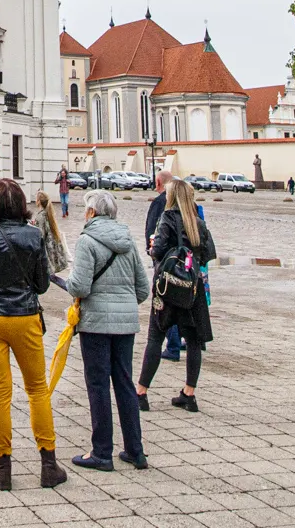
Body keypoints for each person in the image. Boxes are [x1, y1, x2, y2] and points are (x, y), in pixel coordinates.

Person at [0, 178, 64, 490]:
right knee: (37, 390)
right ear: (21, 204)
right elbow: (43, 284)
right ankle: (48, 464)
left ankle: (3, 467)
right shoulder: (34, 235)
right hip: (24, 317)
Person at [66, 190, 151, 471]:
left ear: (91, 212)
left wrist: (67, 284)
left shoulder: (87, 241)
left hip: (96, 324)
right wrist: (124, 304)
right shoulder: (128, 241)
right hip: (125, 324)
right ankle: (135, 450)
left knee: (99, 385)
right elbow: (142, 288)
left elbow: (79, 287)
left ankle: (102, 452)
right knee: (125, 383)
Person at [135, 177, 214, 413]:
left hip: (169, 286)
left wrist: (153, 248)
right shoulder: (197, 222)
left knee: (155, 338)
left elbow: (157, 250)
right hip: (192, 288)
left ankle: (141, 392)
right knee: (193, 342)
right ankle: (189, 393)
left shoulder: (168, 218)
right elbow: (209, 253)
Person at [144, 170, 182, 361]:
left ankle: (173, 345)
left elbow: (152, 232)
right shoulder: (183, 203)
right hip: (184, 263)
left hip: (165, 262)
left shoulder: (160, 203)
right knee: (180, 301)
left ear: (158, 182)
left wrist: (151, 252)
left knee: (164, 303)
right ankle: (183, 340)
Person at [36, 191, 70, 281]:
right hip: (51, 248)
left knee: (51, 277)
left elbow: (40, 234)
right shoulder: (48, 213)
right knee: (52, 276)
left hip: (46, 250)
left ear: (38, 201)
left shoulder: (41, 216)